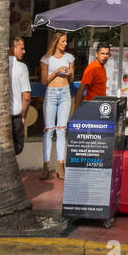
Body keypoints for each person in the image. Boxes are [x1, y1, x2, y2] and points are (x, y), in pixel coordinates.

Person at [40, 31, 75, 180]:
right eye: (63, 41)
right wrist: (57, 71)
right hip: (51, 93)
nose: (65, 44)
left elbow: (72, 80)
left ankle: (61, 165)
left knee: (61, 129)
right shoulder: (46, 59)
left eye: (66, 41)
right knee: (49, 130)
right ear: (56, 42)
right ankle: (46, 165)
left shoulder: (69, 58)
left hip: (65, 92)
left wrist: (70, 72)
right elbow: (44, 81)